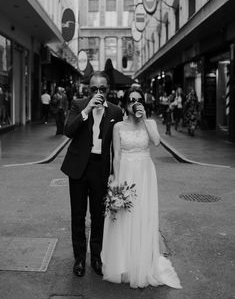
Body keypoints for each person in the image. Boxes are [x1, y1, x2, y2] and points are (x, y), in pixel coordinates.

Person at [101, 87, 182, 289]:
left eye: (139, 100)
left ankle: (143, 261)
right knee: (126, 215)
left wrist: (145, 118)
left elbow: (156, 142)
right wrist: (116, 180)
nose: (135, 103)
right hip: (127, 173)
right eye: (131, 100)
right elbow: (117, 155)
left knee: (143, 214)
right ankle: (125, 262)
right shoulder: (118, 126)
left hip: (145, 174)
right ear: (126, 104)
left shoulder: (149, 123)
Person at [61, 71, 123, 278]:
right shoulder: (78, 105)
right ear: (88, 90)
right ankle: (79, 258)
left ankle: (96, 257)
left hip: (100, 169)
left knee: (98, 215)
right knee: (78, 215)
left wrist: (115, 173)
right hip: (78, 168)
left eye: (102, 89)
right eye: (94, 89)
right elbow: (68, 130)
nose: (98, 92)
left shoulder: (116, 111)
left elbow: (117, 147)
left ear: (108, 90)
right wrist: (87, 109)